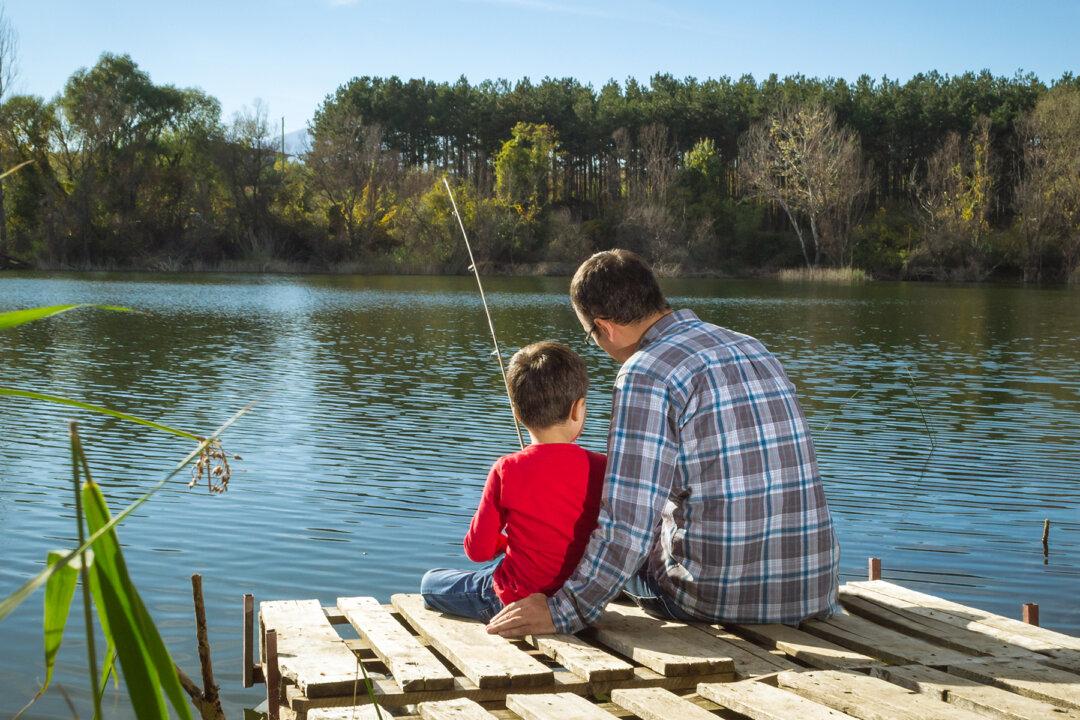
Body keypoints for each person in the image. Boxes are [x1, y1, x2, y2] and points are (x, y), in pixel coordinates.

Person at [487, 249, 840, 637]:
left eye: (591, 336)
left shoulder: (645, 373)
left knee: (570, 553)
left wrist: (564, 610)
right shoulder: (752, 347)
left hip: (713, 598)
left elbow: (627, 523)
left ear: (605, 327)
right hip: (812, 591)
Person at [420, 341, 607, 622]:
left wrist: (504, 542)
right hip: (578, 598)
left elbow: (478, 550)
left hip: (513, 599)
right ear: (578, 409)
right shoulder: (603, 467)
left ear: (518, 414)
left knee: (430, 583)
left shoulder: (507, 469)